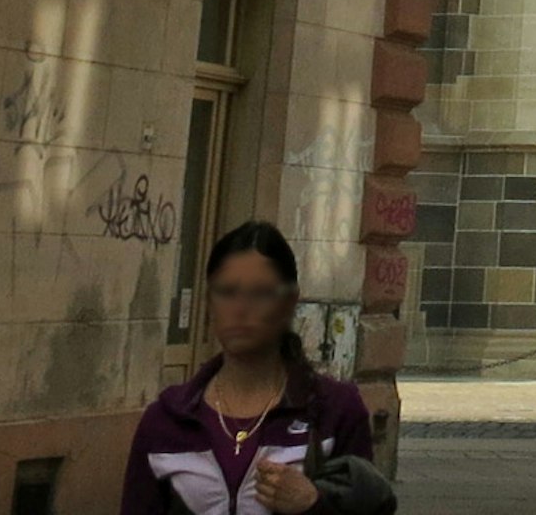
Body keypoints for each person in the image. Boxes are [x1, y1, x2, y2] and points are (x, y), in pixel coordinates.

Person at [122, 221, 393, 515]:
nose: (240, 308)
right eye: (227, 291)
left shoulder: (333, 410)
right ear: (208, 303)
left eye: (260, 293)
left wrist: (314, 503)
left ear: (289, 302)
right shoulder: (166, 420)